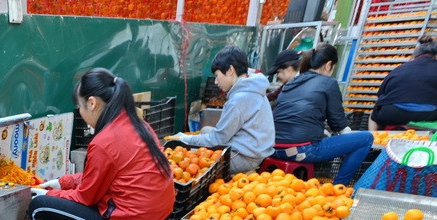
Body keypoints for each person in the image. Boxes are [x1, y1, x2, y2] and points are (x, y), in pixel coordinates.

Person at [27, 68, 175, 220]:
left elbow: (86, 198)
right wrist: (62, 182)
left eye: (80, 107)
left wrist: (46, 195)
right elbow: (105, 176)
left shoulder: (104, 141)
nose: (80, 112)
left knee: (38, 208)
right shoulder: (138, 124)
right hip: (158, 216)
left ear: (92, 103)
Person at [271, 43, 374, 186]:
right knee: (366, 138)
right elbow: (338, 124)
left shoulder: (291, 83)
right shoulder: (328, 82)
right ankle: (338, 188)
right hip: (302, 150)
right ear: (328, 65)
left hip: (274, 148)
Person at [173, 46, 275, 176]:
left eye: (217, 76)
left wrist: (185, 139)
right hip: (255, 149)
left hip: (244, 157)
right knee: (205, 131)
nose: (215, 82)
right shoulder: (253, 87)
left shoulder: (239, 99)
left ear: (231, 70)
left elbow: (216, 140)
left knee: (192, 156)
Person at [369, 36, 437, 131]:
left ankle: (373, 139)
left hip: (391, 113)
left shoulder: (399, 69)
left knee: (373, 114)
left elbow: (380, 94)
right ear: (435, 55)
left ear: (415, 55)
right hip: (426, 114)